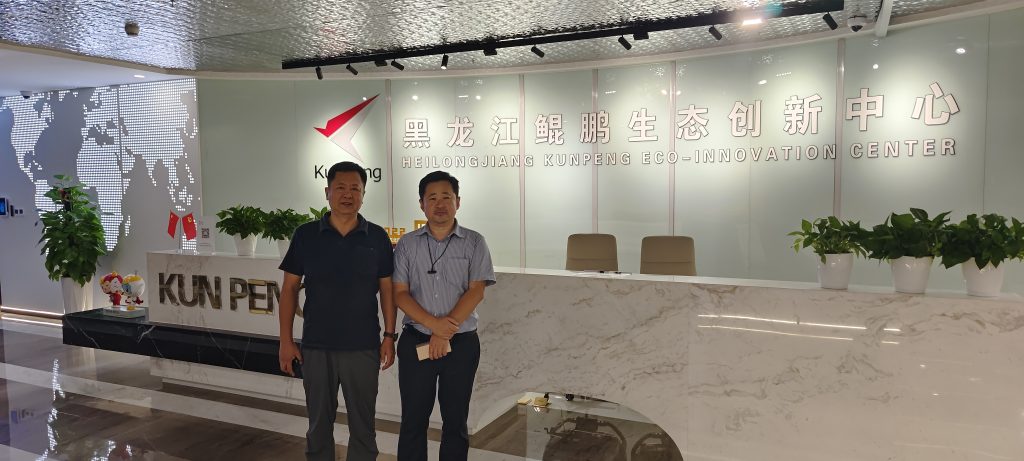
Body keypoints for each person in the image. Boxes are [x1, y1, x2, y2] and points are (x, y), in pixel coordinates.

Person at [278, 161, 397, 461]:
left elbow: (387, 290)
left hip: (363, 346)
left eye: (355, 188)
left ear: (363, 195)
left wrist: (389, 336)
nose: (348, 194)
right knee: (318, 424)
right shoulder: (305, 235)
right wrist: (285, 340)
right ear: (327, 192)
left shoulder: (377, 237)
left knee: (363, 426)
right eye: (340, 188)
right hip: (317, 346)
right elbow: (289, 289)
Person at [393, 170, 496, 461]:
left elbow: (476, 291)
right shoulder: (407, 244)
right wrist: (434, 327)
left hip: (461, 345)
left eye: (446, 197)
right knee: (413, 420)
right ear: (422, 204)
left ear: (458, 202)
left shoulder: (474, 242)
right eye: (432, 198)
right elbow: (400, 293)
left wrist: (443, 332)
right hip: (416, 342)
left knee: (455, 421)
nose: (440, 204)